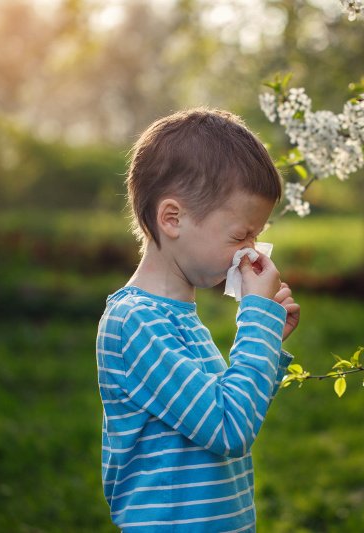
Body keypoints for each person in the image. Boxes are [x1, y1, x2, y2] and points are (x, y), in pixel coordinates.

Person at [96, 108, 300, 531]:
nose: (253, 251)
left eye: (256, 236)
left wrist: (269, 341)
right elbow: (229, 429)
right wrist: (256, 324)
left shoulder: (180, 320)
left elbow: (230, 409)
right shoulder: (134, 322)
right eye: (240, 235)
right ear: (173, 219)